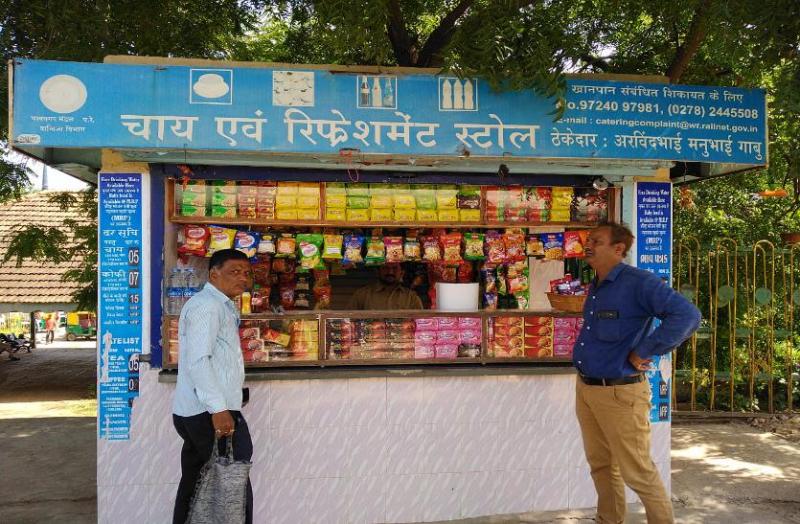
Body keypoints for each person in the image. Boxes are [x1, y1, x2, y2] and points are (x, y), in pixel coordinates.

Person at [573, 222, 701, 524]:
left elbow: (687, 315)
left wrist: (646, 350)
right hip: (588, 389)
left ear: (619, 249)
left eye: (597, 241)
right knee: (602, 466)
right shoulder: (597, 285)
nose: (588, 245)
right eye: (589, 239)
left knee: (638, 472)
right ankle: (609, 520)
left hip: (620, 392)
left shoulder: (638, 282)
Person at [172, 249, 254, 524]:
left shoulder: (219, 304)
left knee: (199, 485)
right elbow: (199, 360)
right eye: (235, 271)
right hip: (206, 414)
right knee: (230, 487)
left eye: (246, 272)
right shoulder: (208, 306)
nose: (243, 277)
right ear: (214, 274)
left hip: (202, 410)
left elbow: (217, 359)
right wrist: (219, 408)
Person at [347, 262, 423, 310]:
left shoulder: (411, 297)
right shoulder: (362, 295)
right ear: (378, 271)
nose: (390, 272)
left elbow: (421, 323)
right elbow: (349, 321)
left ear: (402, 273)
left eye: (395, 268)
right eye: (385, 268)